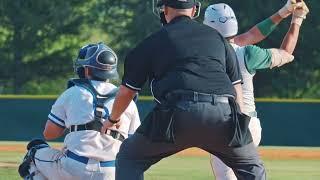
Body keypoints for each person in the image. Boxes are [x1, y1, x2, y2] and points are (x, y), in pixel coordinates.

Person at [101, 0, 266, 179]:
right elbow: (236, 89)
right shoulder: (218, 39)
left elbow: (127, 91)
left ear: (163, 9)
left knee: (129, 157)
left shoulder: (152, 42)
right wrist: (239, 129)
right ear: (195, 9)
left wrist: (113, 119)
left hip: (176, 115)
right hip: (223, 115)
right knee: (251, 166)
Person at [203, 1, 309, 179]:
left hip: (220, 127)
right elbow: (286, 52)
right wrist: (296, 20)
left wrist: (282, 12)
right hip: (249, 126)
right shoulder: (247, 53)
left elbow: (251, 34)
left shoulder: (202, 53)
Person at [18, 42, 141, 180]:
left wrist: (79, 124)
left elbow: (49, 134)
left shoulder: (73, 93)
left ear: (87, 70)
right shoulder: (127, 101)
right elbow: (134, 145)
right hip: (112, 172)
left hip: (74, 168)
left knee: (34, 150)